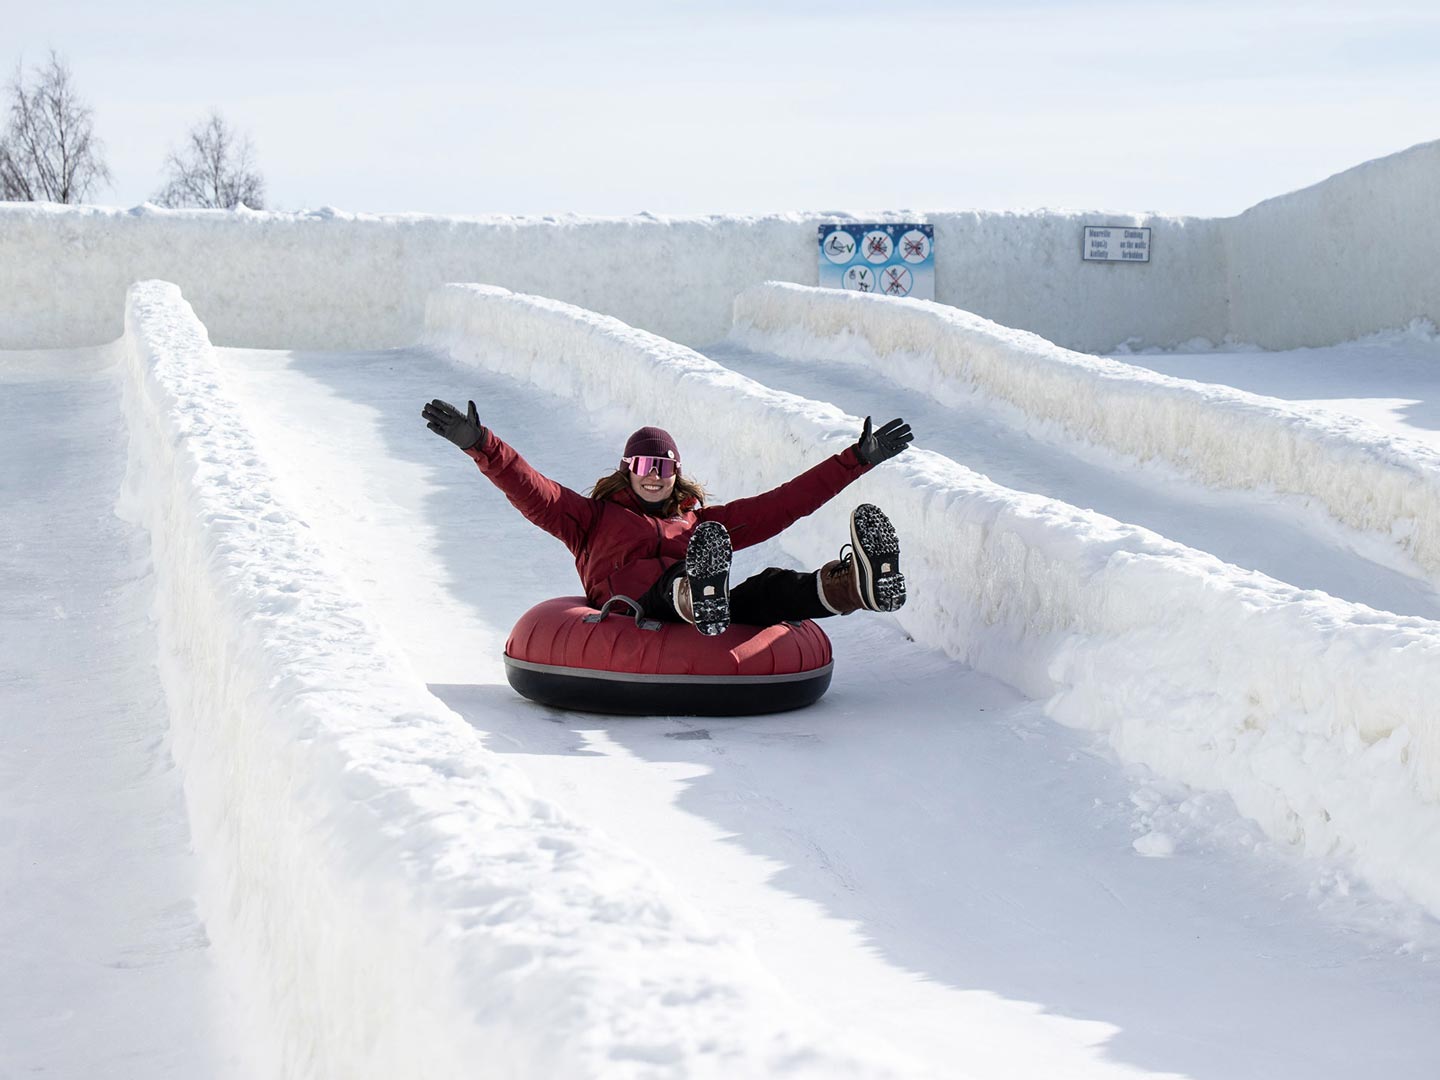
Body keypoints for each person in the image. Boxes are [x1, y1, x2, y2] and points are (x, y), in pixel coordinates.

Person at [421, 398, 914, 636]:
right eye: (643, 466)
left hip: (710, 607)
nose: (653, 476)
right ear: (626, 470)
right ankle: (695, 590)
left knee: (768, 588)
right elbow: (533, 489)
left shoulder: (701, 524)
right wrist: (480, 444)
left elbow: (784, 503)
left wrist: (857, 459)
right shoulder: (589, 519)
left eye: (663, 468)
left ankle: (854, 586)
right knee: (674, 581)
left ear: (676, 475)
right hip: (635, 605)